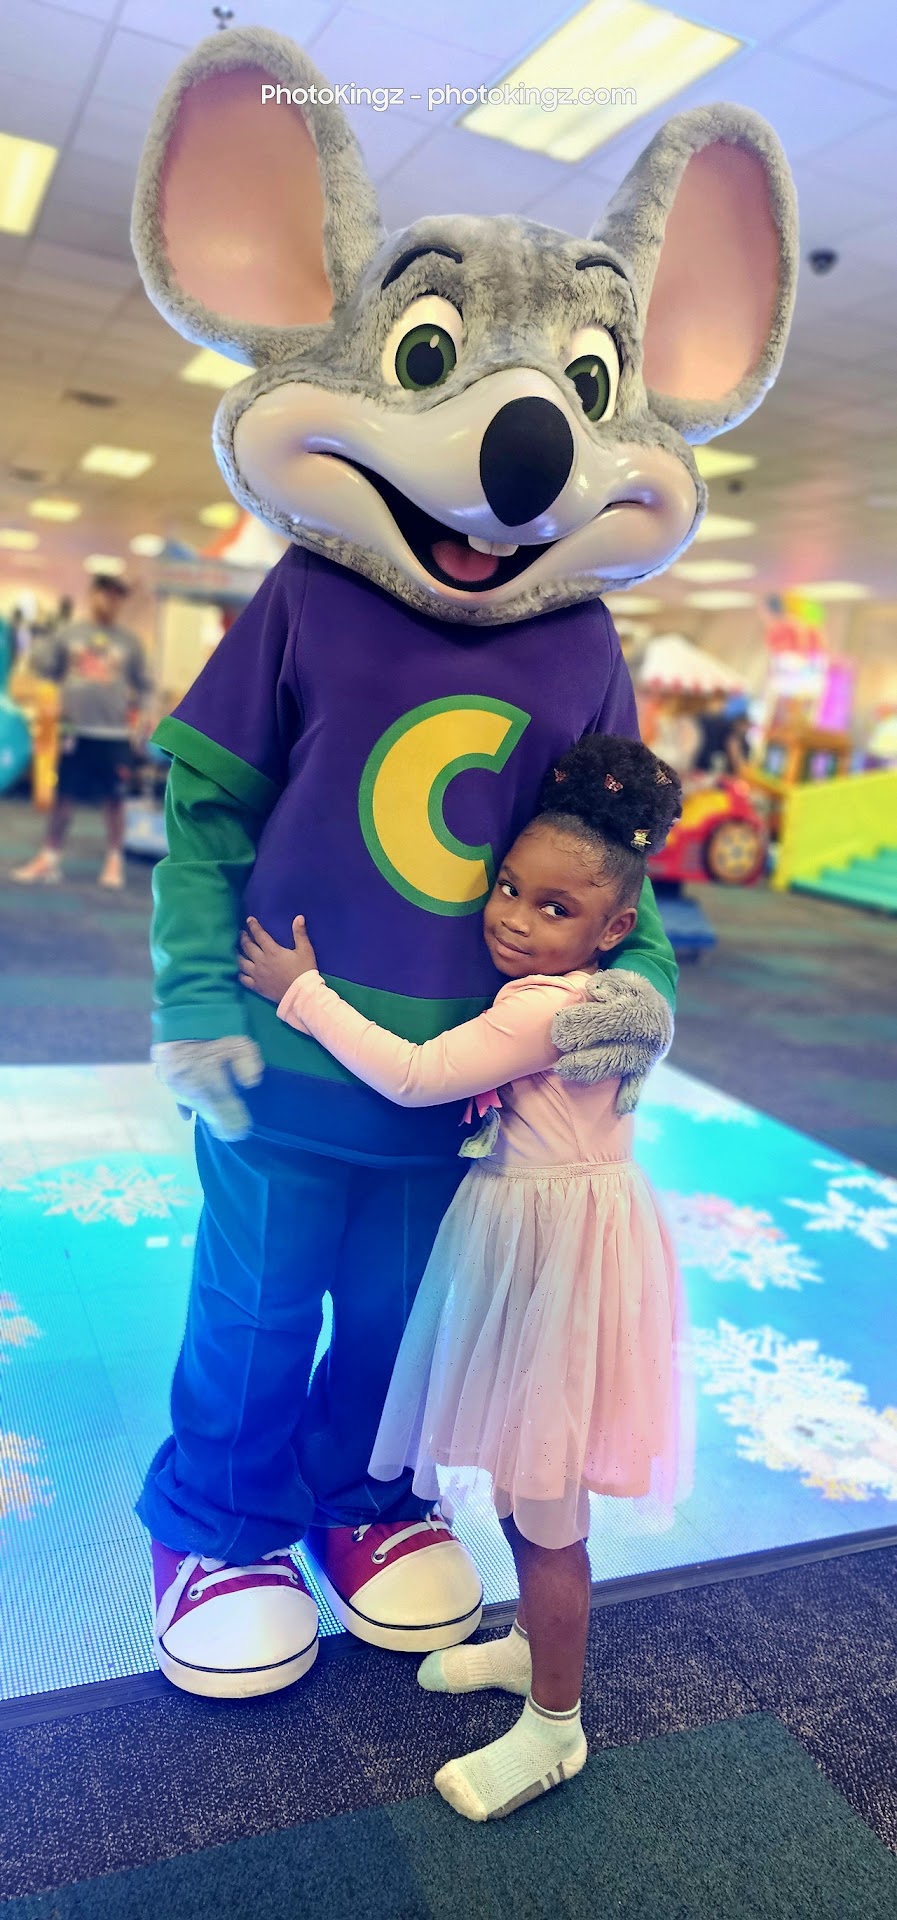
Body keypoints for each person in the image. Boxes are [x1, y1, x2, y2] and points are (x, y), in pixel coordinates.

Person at [238, 733, 690, 1822]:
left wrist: (304, 994)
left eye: (554, 908)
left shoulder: (539, 1009)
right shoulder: (586, 994)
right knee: (529, 1479)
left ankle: (555, 1725)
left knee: (547, 1507)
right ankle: (530, 1646)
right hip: (560, 1248)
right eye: (508, 888)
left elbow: (416, 1076)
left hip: (549, 1263)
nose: (514, 920)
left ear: (615, 929)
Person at [10, 575, 153, 890]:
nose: (111, 602)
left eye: (117, 596)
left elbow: (145, 685)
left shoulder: (129, 641)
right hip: (75, 733)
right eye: (106, 594)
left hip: (114, 734)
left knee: (115, 800)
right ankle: (49, 857)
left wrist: (143, 722)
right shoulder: (69, 634)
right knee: (64, 796)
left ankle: (114, 860)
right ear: (93, 595)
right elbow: (44, 667)